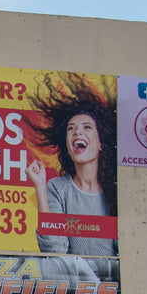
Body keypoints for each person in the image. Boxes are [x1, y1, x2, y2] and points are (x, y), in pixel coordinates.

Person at [26, 73, 118, 256]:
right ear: (67, 147)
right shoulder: (58, 188)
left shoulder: (114, 190)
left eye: (87, 127)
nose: (77, 132)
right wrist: (40, 187)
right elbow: (54, 248)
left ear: (101, 144)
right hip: (75, 283)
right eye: (71, 128)